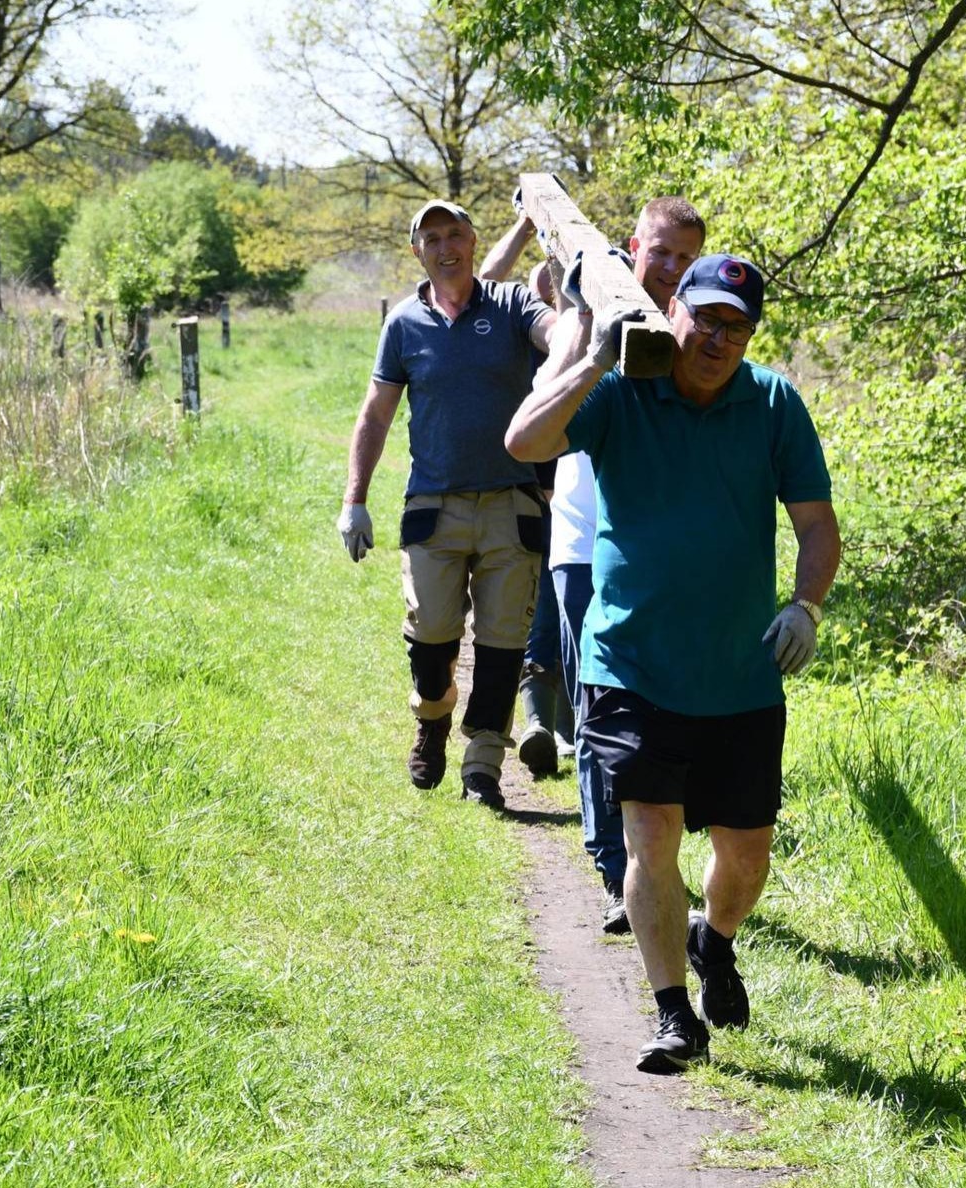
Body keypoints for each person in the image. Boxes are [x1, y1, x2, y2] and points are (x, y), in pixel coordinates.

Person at [505, 253, 841, 1073]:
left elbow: (817, 526)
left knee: (747, 854)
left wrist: (806, 605)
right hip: (631, 665)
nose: (719, 338)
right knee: (650, 838)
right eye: (707, 317)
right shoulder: (622, 390)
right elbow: (523, 440)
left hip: (738, 675)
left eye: (738, 326)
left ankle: (713, 938)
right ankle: (671, 1013)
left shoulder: (771, 403)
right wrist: (592, 355)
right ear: (674, 310)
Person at [486, 196, 709, 934]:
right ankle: (616, 869)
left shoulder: (692, 333)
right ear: (628, 247)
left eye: (685, 255)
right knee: (596, 709)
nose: (671, 268)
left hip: (662, 553)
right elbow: (531, 428)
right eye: (660, 251)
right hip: (583, 547)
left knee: (667, 708)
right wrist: (590, 348)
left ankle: (655, 859)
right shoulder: (585, 323)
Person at [337, 199, 558, 809]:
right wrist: (354, 499)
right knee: (431, 635)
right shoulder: (403, 324)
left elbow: (552, 332)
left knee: (502, 640)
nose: (445, 246)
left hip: (512, 504)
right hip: (433, 506)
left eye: (455, 234)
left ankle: (483, 764)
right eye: (431, 238)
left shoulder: (511, 306)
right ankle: (432, 719)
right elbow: (377, 412)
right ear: (418, 252)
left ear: (472, 240)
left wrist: (578, 322)